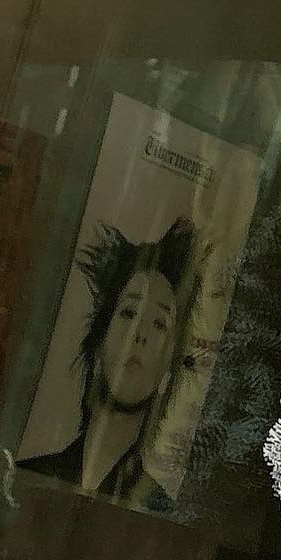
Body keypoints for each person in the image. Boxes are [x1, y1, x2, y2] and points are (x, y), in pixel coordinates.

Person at [20, 216, 203, 513]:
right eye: (129, 313)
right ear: (100, 340)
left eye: (159, 323)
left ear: (169, 367)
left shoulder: (158, 514)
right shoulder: (26, 479)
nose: (139, 334)